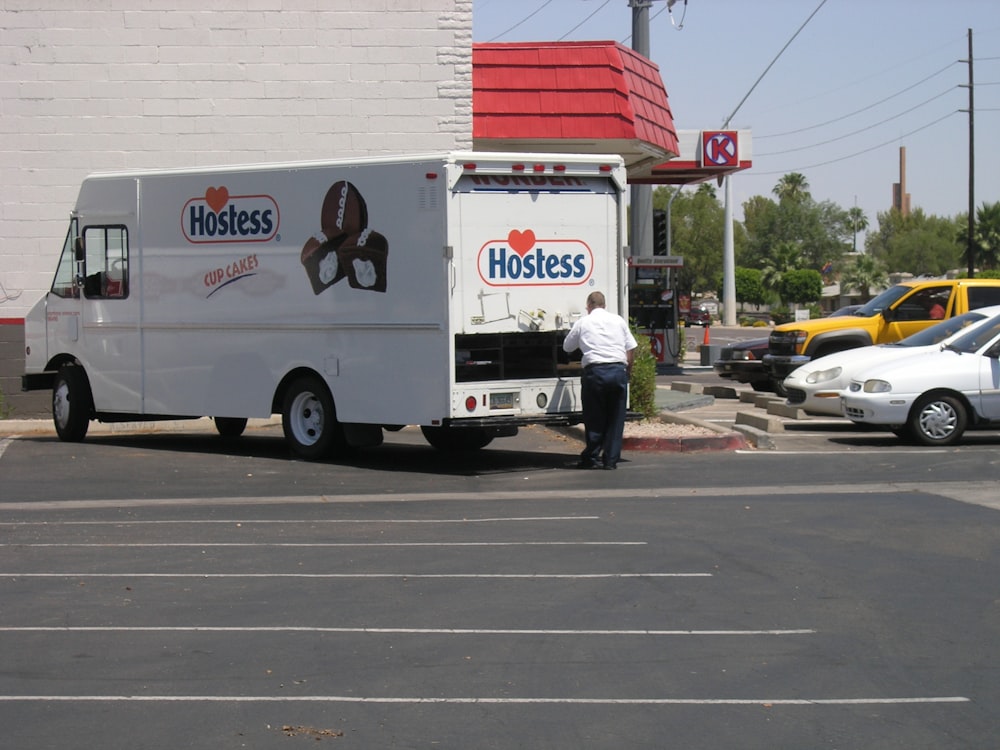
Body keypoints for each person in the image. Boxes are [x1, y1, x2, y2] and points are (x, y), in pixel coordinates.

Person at [562, 290, 638, 470]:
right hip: (618, 371)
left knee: (594, 417)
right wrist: (628, 370)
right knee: (616, 418)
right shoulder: (618, 320)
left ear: (588, 306)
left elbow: (567, 346)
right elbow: (631, 347)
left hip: (595, 373)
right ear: (604, 305)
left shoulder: (583, 322)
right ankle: (611, 460)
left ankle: (591, 457)